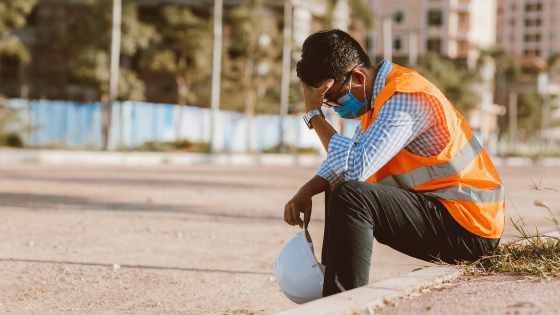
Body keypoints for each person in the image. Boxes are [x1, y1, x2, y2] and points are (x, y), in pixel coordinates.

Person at [283, 29, 504, 297]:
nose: (335, 108)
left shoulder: (405, 97)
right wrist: (309, 188)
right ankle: (333, 292)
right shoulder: (376, 102)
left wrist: (314, 114)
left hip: (469, 227)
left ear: (357, 78)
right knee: (341, 185)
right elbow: (346, 161)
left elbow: (354, 167)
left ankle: (344, 303)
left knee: (351, 195)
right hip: (447, 213)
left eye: (333, 100)